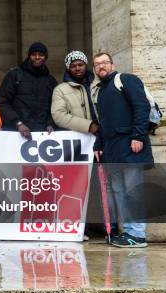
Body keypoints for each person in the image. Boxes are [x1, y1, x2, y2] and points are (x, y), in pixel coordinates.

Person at [92, 52, 153, 248]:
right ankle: (127, 232)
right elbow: (103, 123)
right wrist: (98, 145)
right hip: (112, 151)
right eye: (97, 64)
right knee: (119, 191)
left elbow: (141, 107)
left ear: (112, 64)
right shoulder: (101, 91)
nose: (101, 66)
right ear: (94, 69)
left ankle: (138, 235)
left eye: (104, 63)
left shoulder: (125, 79)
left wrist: (138, 136)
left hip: (131, 147)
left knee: (132, 191)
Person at [0, 42, 57, 140]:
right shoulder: (14, 75)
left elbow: (54, 106)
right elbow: (2, 102)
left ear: (45, 57)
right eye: (33, 54)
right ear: (29, 56)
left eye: (41, 55)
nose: (37, 57)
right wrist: (18, 123)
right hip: (15, 134)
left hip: (42, 135)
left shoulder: (51, 81)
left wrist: (50, 124)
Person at [51, 51, 98, 134]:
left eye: (80, 65)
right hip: (79, 139)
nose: (77, 68)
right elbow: (59, 116)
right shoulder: (60, 90)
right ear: (68, 69)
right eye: (73, 66)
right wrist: (89, 126)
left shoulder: (98, 84)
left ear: (86, 65)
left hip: (104, 136)